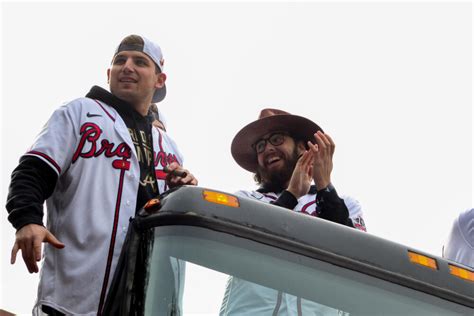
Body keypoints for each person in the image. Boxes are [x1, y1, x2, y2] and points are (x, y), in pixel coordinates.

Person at [6, 34, 197, 315]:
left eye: (140, 62)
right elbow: (33, 170)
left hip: (141, 299)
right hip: (72, 298)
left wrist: (183, 192)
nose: (128, 66)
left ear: (159, 80)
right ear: (109, 74)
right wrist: (26, 219)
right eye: (120, 61)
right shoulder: (81, 113)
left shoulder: (168, 147)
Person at [220, 108, 365, 315]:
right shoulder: (245, 200)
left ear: (302, 148)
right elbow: (243, 246)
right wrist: (291, 195)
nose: (268, 148)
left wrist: (325, 186)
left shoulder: (347, 205)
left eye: (277, 139)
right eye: (260, 146)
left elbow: (356, 257)